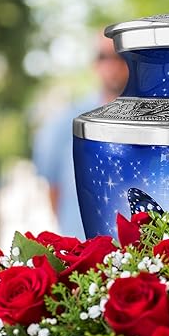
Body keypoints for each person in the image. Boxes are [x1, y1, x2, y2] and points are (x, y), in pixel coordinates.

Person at [33, 33, 129, 238]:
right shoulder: (65, 123)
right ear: (94, 64)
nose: (113, 65)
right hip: (82, 249)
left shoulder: (155, 122)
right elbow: (53, 188)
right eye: (104, 56)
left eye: (121, 56)